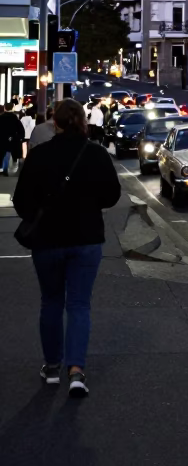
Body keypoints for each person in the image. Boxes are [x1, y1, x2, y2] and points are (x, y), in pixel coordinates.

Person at [13, 98, 121, 397]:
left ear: (54, 123)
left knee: (50, 302)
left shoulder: (40, 155)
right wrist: (88, 204)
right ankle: (76, 370)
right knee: (79, 304)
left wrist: (40, 213)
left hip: (47, 239)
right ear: (83, 122)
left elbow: (21, 200)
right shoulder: (96, 154)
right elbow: (112, 195)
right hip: (86, 238)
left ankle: (51, 367)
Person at [0, 101, 25, 175]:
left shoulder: (1, 117)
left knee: (2, 153)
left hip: (2, 138)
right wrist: (21, 137)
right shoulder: (15, 117)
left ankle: (2, 168)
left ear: (5, 108)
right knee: (13, 154)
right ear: (12, 107)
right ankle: (11, 168)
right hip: (13, 139)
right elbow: (21, 129)